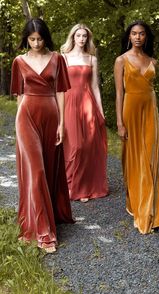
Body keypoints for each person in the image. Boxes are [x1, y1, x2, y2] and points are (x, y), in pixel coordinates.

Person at [10, 18, 74, 253]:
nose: (36, 43)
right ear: (26, 39)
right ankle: (43, 232)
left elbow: (60, 92)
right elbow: (19, 95)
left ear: (46, 37)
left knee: (49, 168)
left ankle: (50, 214)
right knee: (35, 171)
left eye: (40, 39)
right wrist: (19, 125)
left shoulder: (57, 58)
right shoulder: (19, 61)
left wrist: (62, 123)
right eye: (32, 39)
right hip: (26, 118)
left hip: (50, 117)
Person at [114, 20, 159, 234]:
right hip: (130, 110)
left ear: (146, 37)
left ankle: (156, 209)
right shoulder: (121, 60)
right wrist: (120, 123)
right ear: (129, 36)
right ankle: (137, 203)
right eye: (134, 33)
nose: (138, 37)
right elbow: (119, 94)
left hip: (150, 110)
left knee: (151, 157)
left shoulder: (154, 62)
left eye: (141, 33)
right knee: (132, 158)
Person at [61, 24, 108, 202]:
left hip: (88, 103)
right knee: (74, 145)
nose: (81, 39)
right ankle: (69, 185)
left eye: (84, 36)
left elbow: (95, 87)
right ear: (72, 37)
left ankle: (83, 187)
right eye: (78, 36)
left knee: (87, 146)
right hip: (69, 102)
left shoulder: (91, 59)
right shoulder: (63, 58)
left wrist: (101, 111)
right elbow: (59, 87)